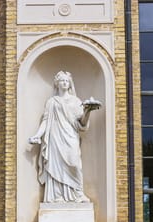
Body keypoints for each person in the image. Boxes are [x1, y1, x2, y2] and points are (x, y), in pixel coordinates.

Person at [29, 71, 100, 203]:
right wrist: (37, 135)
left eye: (67, 81)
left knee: (74, 164)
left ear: (70, 84)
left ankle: (78, 194)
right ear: (57, 83)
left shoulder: (76, 101)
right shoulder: (51, 102)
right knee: (55, 166)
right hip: (55, 137)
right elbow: (45, 121)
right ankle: (57, 196)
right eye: (62, 80)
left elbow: (82, 124)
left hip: (70, 136)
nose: (65, 83)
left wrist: (87, 111)